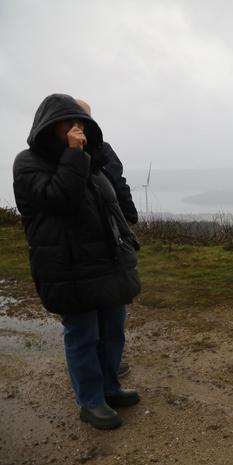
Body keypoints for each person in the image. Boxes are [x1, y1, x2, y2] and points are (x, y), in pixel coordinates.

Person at [12, 94, 141, 430]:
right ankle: (91, 401)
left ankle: (110, 388)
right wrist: (73, 155)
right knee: (83, 335)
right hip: (67, 267)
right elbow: (61, 199)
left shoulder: (89, 161)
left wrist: (127, 243)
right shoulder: (28, 163)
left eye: (81, 123)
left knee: (113, 332)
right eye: (69, 124)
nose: (77, 129)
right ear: (49, 127)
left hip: (106, 264)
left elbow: (109, 207)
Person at [76, 99, 138, 379]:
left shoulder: (100, 150)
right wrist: (129, 218)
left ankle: (107, 370)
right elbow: (118, 182)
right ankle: (98, 375)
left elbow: (116, 183)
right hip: (93, 239)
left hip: (109, 235)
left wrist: (128, 217)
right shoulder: (95, 151)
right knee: (91, 313)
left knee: (110, 307)